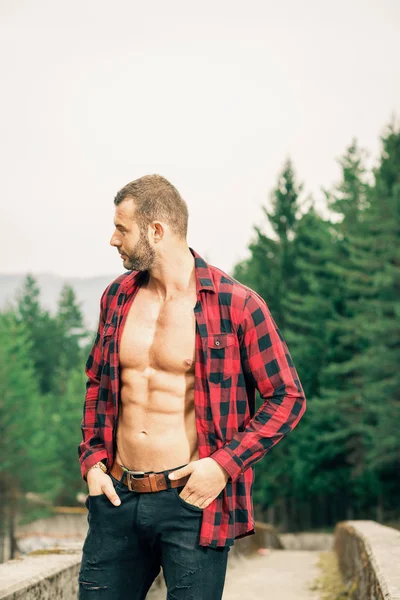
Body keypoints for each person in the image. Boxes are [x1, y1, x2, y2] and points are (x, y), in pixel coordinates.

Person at [77, 174, 307, 599]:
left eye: (122, 228)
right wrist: (92, 461)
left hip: (192, 503)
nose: (113, 239)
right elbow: (97, 382)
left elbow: (288, 398)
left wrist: (224, 464)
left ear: (156, 230)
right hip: (115, 498)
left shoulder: (236, 304)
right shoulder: (117, 298)